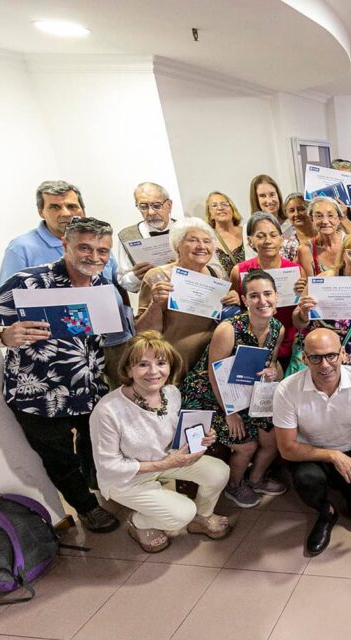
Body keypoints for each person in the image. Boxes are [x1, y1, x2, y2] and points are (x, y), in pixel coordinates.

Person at [0, 217, 122, 532]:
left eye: (102, 251)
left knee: (98, 444)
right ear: (65, 245)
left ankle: (99, 484)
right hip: (39, 396)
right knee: (59, 458)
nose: (94, 257)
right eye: (85, 248)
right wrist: (1, 336)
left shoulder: (101, 285)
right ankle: (87, 508)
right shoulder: (27, 282)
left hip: (89, 389)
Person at [90, 331, 231, 553]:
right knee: (182, 513)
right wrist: (165, 464)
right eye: (143, 364)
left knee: (219, 472)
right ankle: (138, 522)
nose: (154, 371)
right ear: (128, 369)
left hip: (166, 460)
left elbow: (170, 434)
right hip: (126, 478)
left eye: (161, 363)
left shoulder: (171, 393)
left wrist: (202, 436)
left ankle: (201, 517)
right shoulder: (107, 411)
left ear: (170, 366)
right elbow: (109, 466)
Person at [181, 270, 287, 508]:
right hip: (209, 395)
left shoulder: (277, 328)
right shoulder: (228, 329)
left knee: (273, 437)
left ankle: (255, 479)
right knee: (247, 445)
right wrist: (230, 413)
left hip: (245, 392)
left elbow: (271, 363)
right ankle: (234, 486)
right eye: (254, 296)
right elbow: (213, 374)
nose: (262, 301)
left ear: (277, 296)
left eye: (267, 294)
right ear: (244, 300)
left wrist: (272, 372)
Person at [273, 328, 351, 555]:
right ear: (304, 359)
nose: (324, 365)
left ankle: (342, 483)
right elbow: (287, 449)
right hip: (312, 453)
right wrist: (333, 456)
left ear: (343, 354)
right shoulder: (287, 390)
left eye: (331, 355)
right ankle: (326, 511)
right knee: (307, 480)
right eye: (315, 358)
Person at [136, 218, 237, 383]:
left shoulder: (216, 274)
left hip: (209, 364)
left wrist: (234, 299)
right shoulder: (157, 276)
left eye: (207, 241)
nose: (201, 246)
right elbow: (143, 333)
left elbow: (224, 318)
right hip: (175, 365)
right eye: (193, 240)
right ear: (177, 246)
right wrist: (155, 305)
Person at [0, 180, 119, 287]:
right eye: (55, 207)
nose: (66, 213)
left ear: (83, 211)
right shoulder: (21, 248)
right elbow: (12, 298)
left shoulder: (97, 240)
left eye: (71, 206)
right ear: (41, 212)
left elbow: (117, 285)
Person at [231, 212, 306, 368]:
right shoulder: (239, 271)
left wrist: (304, 293)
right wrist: (234, 298)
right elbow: (237, 309)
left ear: (281, 239)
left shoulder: (296, 270)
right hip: (255, 344)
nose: (268, 241)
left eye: (273, 235)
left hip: (291, 343)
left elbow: (303, 312)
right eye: (260, 236)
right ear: (250, 241)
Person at [292, 232, 351, 369]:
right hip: (316, 356)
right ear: (343, 255)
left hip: (350, 356)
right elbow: (297, 322)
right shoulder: (323, 280)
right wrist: (304, 313)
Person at [117, 182, 176, 294]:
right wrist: (136, 276)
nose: (151, 212)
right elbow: (123, 281)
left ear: (169, 205)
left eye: (157, 205)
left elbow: (210, 270)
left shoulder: (188, 230)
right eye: (143, 207)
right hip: (151, 301)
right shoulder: (127, 236)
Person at [299, 196, 344, 277]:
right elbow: (309, 283)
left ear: (339, 219)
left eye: (330, 215)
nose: (325, 221)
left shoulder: (350, 243)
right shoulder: (306, 249)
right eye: (319, 216)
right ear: (312, 220)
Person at [205, 191, 245, 274]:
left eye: (224, 204)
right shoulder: (208, 240)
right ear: (210, 214)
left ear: (232, 209)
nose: (220, 208)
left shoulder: (247, 231)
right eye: (214, 205)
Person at [280, 192, 314, 262]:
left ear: (310, 210)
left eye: (301, 209)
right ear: (286, 214)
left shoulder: (324, 234)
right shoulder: (286, 246)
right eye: (292, 211)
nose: (296, 214)